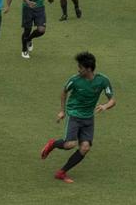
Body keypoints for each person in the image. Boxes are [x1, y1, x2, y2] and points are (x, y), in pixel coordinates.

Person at [40, 51, 116, 183]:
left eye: (80, 67)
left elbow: (112, 100)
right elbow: (64, 91)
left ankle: (61, 172)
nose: (78, 69)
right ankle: (53, 144)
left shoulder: (103, 80)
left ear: (88, 69)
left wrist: (105, 106)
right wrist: (62, 111)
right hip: (74, 115)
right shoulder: (74, 80)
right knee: (69, 144)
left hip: (88, 118)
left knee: (85, 148)